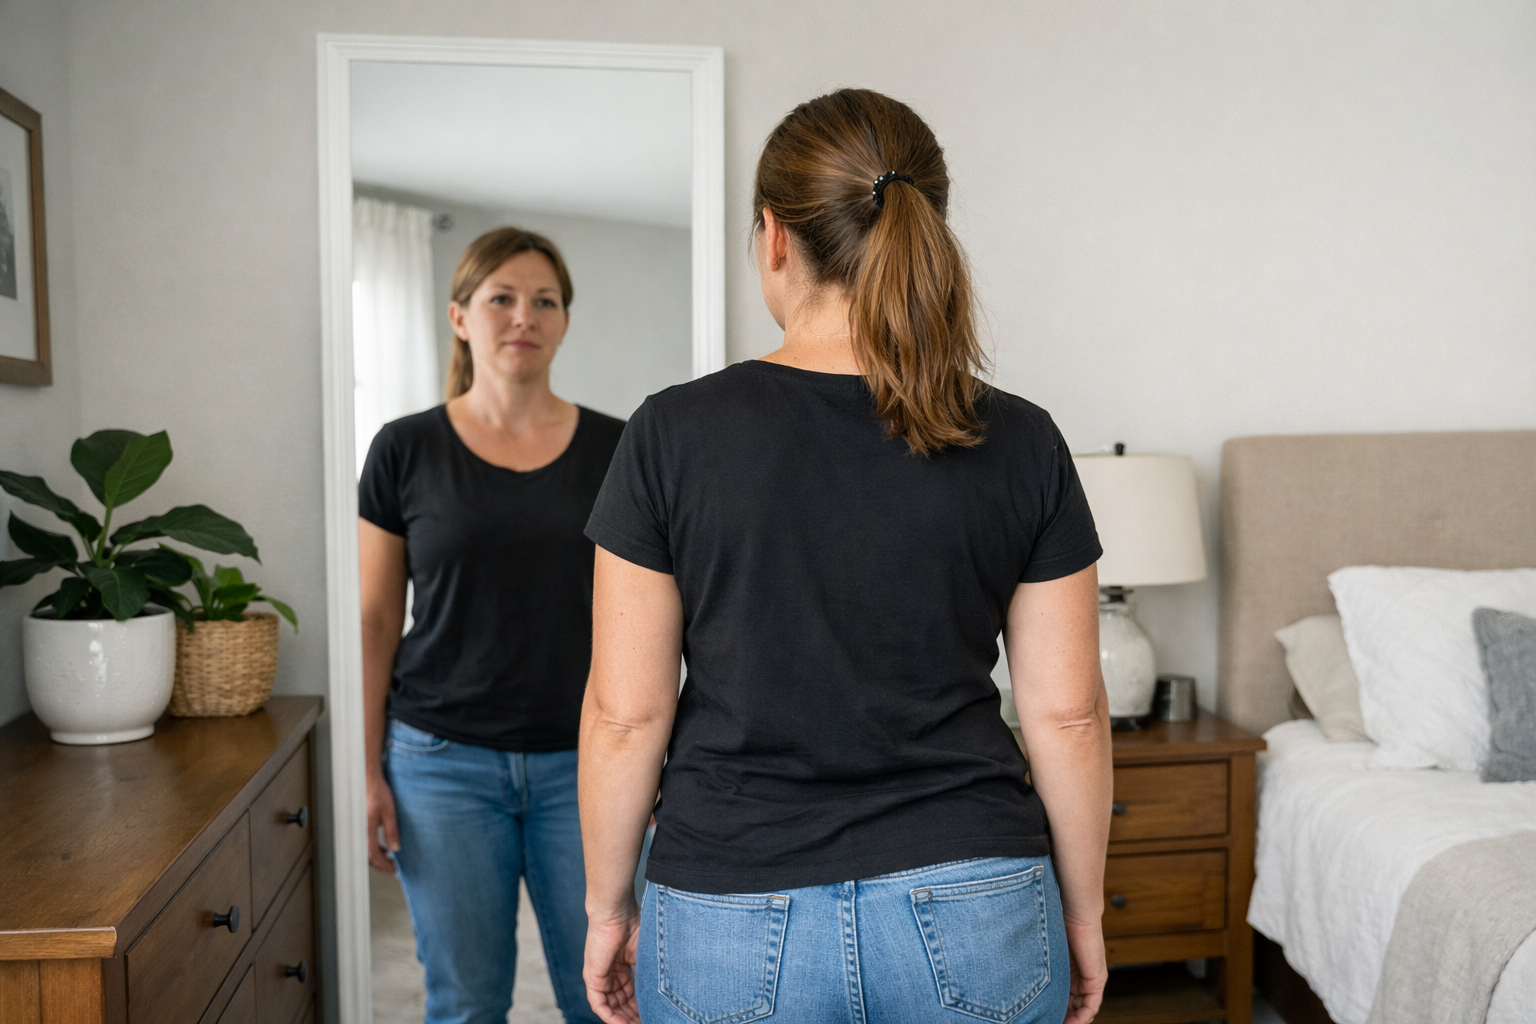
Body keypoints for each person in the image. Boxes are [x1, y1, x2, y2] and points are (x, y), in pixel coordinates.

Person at [577, 89, 1114, 1024]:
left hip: (726, 906)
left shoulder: (672, 433)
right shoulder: (1022, 439)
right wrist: (1083, 912)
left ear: (775, 236)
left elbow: (627, 715)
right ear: (927, 228)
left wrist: (606, 906)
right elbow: (1065, 715)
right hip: (976, 897)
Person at [359, 227, 622, 1024]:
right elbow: (374, 619)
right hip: (441, 764)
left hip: (584, 770)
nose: (523, 316)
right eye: (501, 297)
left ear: (565, 322)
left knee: (606, 996)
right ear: (459, 316)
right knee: (467, 1003)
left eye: (545, 301)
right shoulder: (404, 448)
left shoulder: (618, 448)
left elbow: (650, 621)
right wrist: (366, 768)